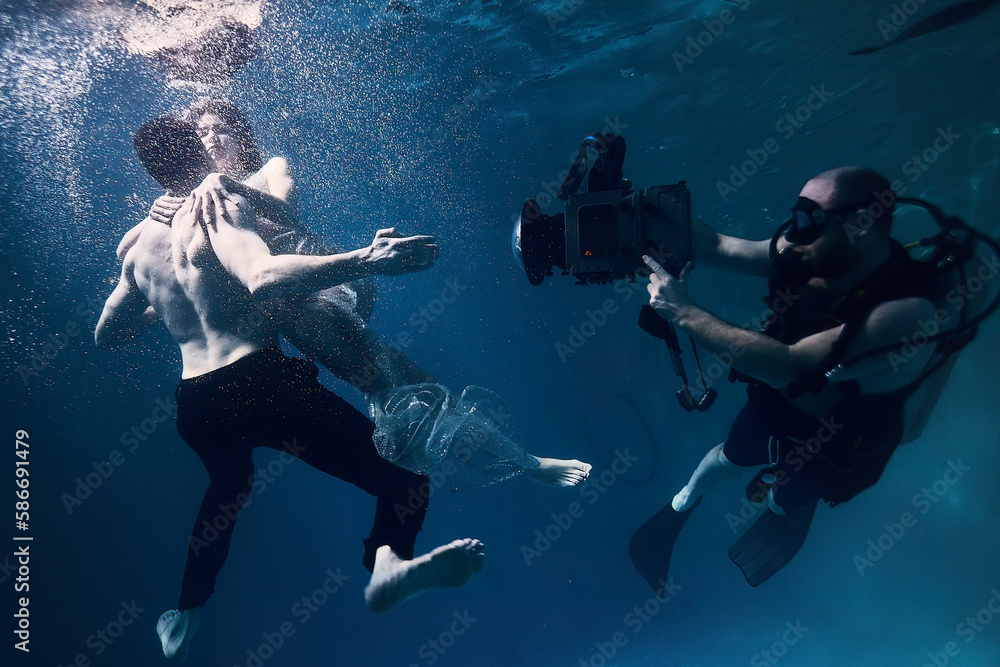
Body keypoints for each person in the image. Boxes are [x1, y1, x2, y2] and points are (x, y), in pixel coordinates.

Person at [97, 116, 485, 662]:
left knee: (227, 489)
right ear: (198, 155)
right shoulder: (216, 210)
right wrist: (362, 259)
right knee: (406, 482)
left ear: (152, 172)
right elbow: (261, 274)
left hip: (197, 405)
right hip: (260, 385)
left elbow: (105, 334)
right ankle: (386, 571)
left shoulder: (137, 248)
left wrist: (163, 305)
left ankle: (185, 612)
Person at [119, 98, 592, 489]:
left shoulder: (265, 171)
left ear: (240, 133)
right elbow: (181, 284)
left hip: (322, 294)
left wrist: (220, 184)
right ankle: (518, 463)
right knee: (399, 384)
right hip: (287, 308)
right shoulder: (195, 203)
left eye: (219, 128)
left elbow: (283, 212)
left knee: (396, 383)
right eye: (200, 132)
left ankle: (525, 463)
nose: (209, 138)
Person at [630, 166, 960, 592]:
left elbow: (786, 364)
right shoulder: (816, 252)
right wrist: (638, 219)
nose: (794, 232)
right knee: (729, 456)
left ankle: (781, 507)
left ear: (861, 223)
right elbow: (714, 245)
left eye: (808, 217)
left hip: (841, 440)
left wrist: (683, 310)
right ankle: (681, 504)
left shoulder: (908, 313)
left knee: (785, 497)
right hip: (786, 405)